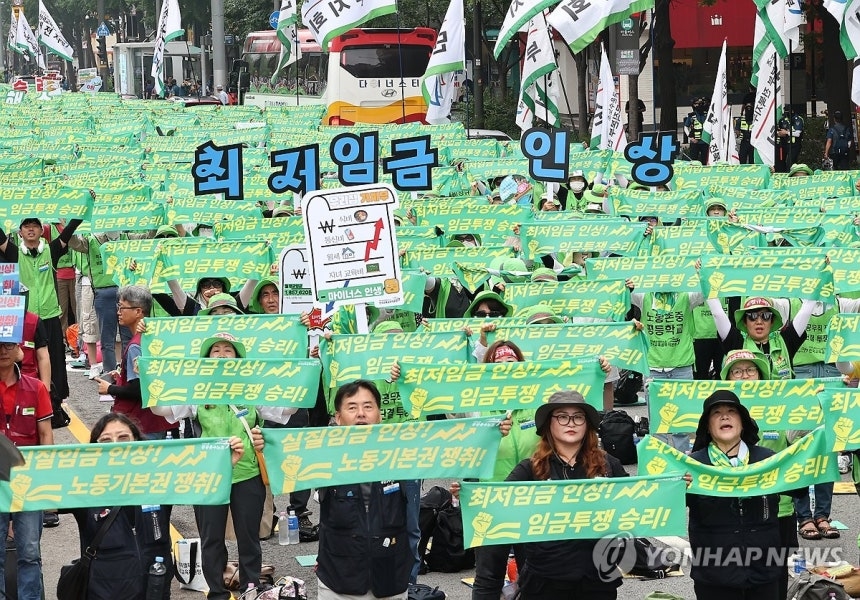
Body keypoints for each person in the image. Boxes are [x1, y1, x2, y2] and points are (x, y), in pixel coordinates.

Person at [151, 332, 295, 599]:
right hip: (209, 476)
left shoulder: (252, 388)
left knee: (249, 538)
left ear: (238, 358)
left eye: (228, 350)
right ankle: (216, 592)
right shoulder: (196, 390)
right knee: (212, 540)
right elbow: (161, 410)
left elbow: (286, 410)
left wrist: (300, 377)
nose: (221, 355)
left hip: (247, 473)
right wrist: (151, 375)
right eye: (215, 350)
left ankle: (250, 589)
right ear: (207, 359)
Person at [496, 390, 627, 599]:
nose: (571, 423)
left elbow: (638, 502)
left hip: (598, 580)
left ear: (587, 424)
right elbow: (495, 502)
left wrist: (675, 485)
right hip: (544, 581)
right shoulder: (530, 469)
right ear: (549, 423)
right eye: (562, 416)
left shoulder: (608, 465)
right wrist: (464, 493)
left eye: (578, 417)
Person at [686, 390, 798, 600]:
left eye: (731, 411)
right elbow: (666, 505)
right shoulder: (693, 465)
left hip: (764, 572)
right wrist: (679, 486)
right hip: (714, 575)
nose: (724, 416)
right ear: (708, 428)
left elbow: (801, 487)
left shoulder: (767, 460)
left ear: (743, 422)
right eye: (716, 413)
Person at [312, 379, 411, 599]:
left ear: (380, 414)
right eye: (352, 407)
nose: (361, 414)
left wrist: (490, 434)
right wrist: (266, 445)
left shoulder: (403, 453)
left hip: (391, 577)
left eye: (368, 406)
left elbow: (451, 454)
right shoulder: (320, 454)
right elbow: (280, 472)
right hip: (338, 580)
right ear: (338, 418)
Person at [719, 350, 796, 600]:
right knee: (727, 573)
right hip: (728, 510)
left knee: (774, 575)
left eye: (751, 371)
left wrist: (814, 403)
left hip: (777, 507)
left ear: (761, 376)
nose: (745, 377)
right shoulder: (715, 415)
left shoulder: (783, 406)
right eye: (737, 372)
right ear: (727, 379)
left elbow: (800, 443)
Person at [0, 217, 83, 419]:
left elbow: (68, 232)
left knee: (55, 360)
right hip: (23, 317)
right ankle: (18, 403)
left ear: (41, 231)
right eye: (26, 227)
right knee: (22, 360)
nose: (30, 230)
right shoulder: (13, 252)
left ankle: (55, 403)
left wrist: (83, 208)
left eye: (35, 226)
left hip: (49, 315)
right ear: (20, 232)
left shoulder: (50, 250)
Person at [0, 338, 54, 600]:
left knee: (30, 553)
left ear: (19, 348)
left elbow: (46, 436)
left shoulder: (36, 388)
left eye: (8, 344)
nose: (2, 351)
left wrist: (47, 483)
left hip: (28, 483)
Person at [94, 286, 174, 438]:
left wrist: (110, 388)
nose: (118, 312)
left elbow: (140, 390)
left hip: (141, 424)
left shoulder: (135, 346)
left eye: (122, 308)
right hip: (156, 422)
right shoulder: (152, 339)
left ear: (138, 311)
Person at [775, 106, 804, 173]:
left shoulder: (798, 119)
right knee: (780, 162)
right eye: (785, 111)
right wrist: (780, 133)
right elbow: (778, 130)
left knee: (790, 162)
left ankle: (791, 175)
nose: (786, 113)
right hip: (784, 144)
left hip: (794, 145)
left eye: (788, 111)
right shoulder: (782, 120)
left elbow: (798, 133)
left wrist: (786, 133)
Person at [684, 97, 709, 164]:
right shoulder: (692, 115)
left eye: (701, 103)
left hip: (705, 141)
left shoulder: (707, 114)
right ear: (694, 105)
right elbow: (686, 127)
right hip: (695, 142)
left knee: (705, 161)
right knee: (694, 161)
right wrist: (690, 137)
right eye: (697, 104)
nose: (699, 105)